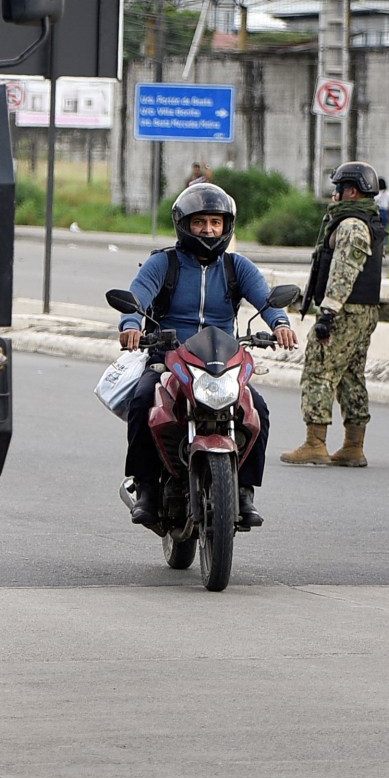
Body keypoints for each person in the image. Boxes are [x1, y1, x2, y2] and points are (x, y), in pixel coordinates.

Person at [116, 181, 296, 529]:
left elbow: (265, 299)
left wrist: (281, 323)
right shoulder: (163, 264)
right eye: (201, 222)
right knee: (141, 402)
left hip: (222, 363)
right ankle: (148, 490)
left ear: (227, 226)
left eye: (216, 222)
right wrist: (131, 324)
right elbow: (136, 297)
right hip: (168, 359)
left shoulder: (236, 266)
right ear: (184, 224)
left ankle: (244, 491)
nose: (209, 230)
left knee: (257, 409)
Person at [284, 161, 388, 467]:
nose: (334, 195)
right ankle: (353, 446)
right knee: (351, 375)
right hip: (361, 311)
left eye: (338, 189)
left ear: (351, 191)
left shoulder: (352, 225)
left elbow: (344, 272)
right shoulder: (367, 221)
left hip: (344, 311)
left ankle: (315, 443)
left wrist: (327, 314)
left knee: (319, 371)